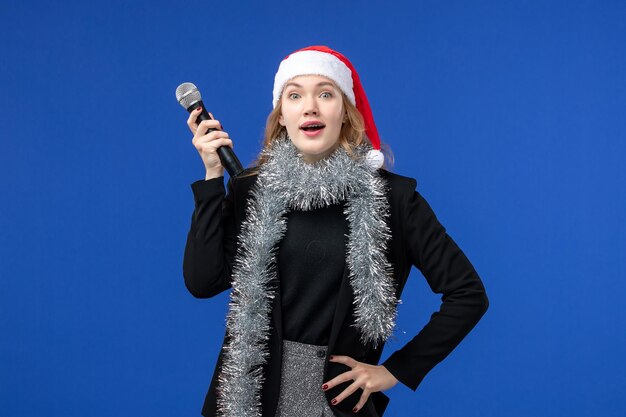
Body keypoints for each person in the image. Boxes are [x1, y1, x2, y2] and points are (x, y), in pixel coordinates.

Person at [183, 45, 489, 417]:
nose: (310, 106)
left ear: (345, 112)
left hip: (335, 403)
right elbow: (203, 282)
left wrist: (396, 370)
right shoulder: (254, 191)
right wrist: (213, 178)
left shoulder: (394, 199)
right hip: (247, 399)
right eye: (294, 95)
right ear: (283, 116)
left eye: (325, 94)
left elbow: (468, 294)